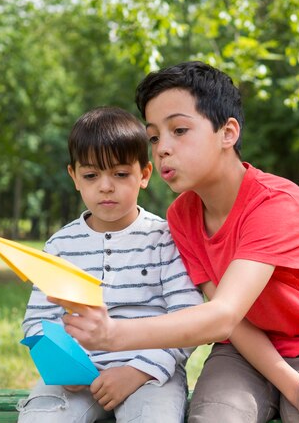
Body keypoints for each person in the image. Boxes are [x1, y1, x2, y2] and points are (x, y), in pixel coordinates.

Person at [50, 62, 299, 423]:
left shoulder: (276, 205)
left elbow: (222, 315)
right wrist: (291, 386)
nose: (162, 149)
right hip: (240, 353)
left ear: (228, 132)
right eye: (154, 137)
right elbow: (230, 323)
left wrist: (112, 335)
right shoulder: (182, 215)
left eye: (180, 130)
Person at [17, 106, 204, 423]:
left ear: (144, 175)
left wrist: (136, 371)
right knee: (40, 418)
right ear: (74, 177)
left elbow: (187, 319)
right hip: (77, 377)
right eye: (91, 175)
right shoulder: (61, 246)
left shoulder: (164, 238)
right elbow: (37, 322)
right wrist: (64, 366)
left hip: (149, 375)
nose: (105, 186)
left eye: (120, 174)